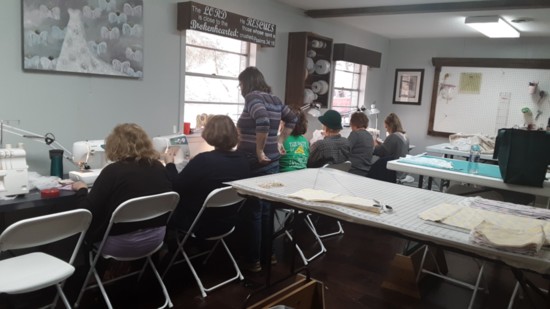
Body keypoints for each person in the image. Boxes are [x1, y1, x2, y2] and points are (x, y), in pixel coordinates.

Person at [72, 123, 173, 257]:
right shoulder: (159, 167)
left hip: (119, 245)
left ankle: (88, 274)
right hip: (156, 239)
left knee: (81, 230)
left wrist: (82, 190)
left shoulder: (113, 172)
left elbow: (85, 211)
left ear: (114, 145)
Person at [236, 66, 297, 272]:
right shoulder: (275, 99)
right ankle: (267, 255)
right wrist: (279, 141)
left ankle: (253, 260)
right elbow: (293, 118)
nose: (240, 88)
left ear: (247, 83)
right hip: (272, 162)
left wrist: (259, 150)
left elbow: (261, 121)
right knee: (265, 210)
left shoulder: (252, 97)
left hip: (254, 162)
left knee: (254, 211)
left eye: (241, 83)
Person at [163, 115, 251, 237]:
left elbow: (176, 186)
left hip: (199, 224)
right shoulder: (243, 159)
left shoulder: (204, 160)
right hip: (228, 222)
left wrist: (169, 164)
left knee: (164, 211)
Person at [347, 112, 374, 176]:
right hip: (366, 170)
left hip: (354, 170)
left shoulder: (355, 134)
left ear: (352, 123)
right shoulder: (369, 135)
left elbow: (345, 150)